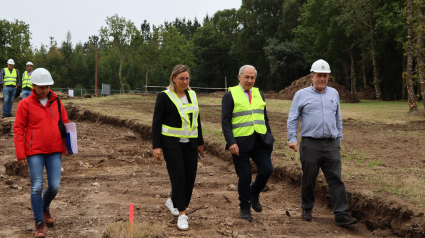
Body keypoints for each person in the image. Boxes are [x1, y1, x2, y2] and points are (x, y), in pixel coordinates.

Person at [287, 59, 358, 226]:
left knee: (335, 179)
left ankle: (341, 215)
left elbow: (337, 117)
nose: (322, 79)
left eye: (325, 76)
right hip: (310, 144)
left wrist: (338, 137)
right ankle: (307, 208)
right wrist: (292, 139)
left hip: (332, 144)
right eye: (319, 75)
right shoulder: (301, 95)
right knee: (309, 177)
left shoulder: (334, 93)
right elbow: (292, 118)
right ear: (312, 76)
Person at [14, 68, 69, 237]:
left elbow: (65, 123)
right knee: (36, 186)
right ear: (34, 86)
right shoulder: (25, 104)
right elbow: (18, 129)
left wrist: (68, 145)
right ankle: (39, 223)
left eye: (47, 87)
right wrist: (20, 153)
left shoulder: (57, 102)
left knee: (54, 186)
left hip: (54, 150)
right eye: (41, 87)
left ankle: (45, 207)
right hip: (34, 151)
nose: (45, 90)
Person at [152, 65, 204, 231]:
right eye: (181, 78)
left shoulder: (192, 95)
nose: (185, 81)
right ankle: (182, 214)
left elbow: (197, 120)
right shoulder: (164, 96)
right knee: (178, 177)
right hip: (171, 145)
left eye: (187, 78)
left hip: (191, 144)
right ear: (173, 78)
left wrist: (201, 143)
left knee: (189, 178)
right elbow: (156, 123)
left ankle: (173, 201)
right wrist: (156, 147)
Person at [221, 65, 274, 222]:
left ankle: (254, 192)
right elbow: (225, 121)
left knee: (267, 169)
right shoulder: (230, 95)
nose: (249, 80)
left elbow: (264, 118)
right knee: (244, 176)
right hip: (240, 143)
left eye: (252, 78)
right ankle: (245, 207)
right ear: (239, 77)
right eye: (246, 77)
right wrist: (231, 142)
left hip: (260, 141)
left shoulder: (260, 95)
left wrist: (269, 138)